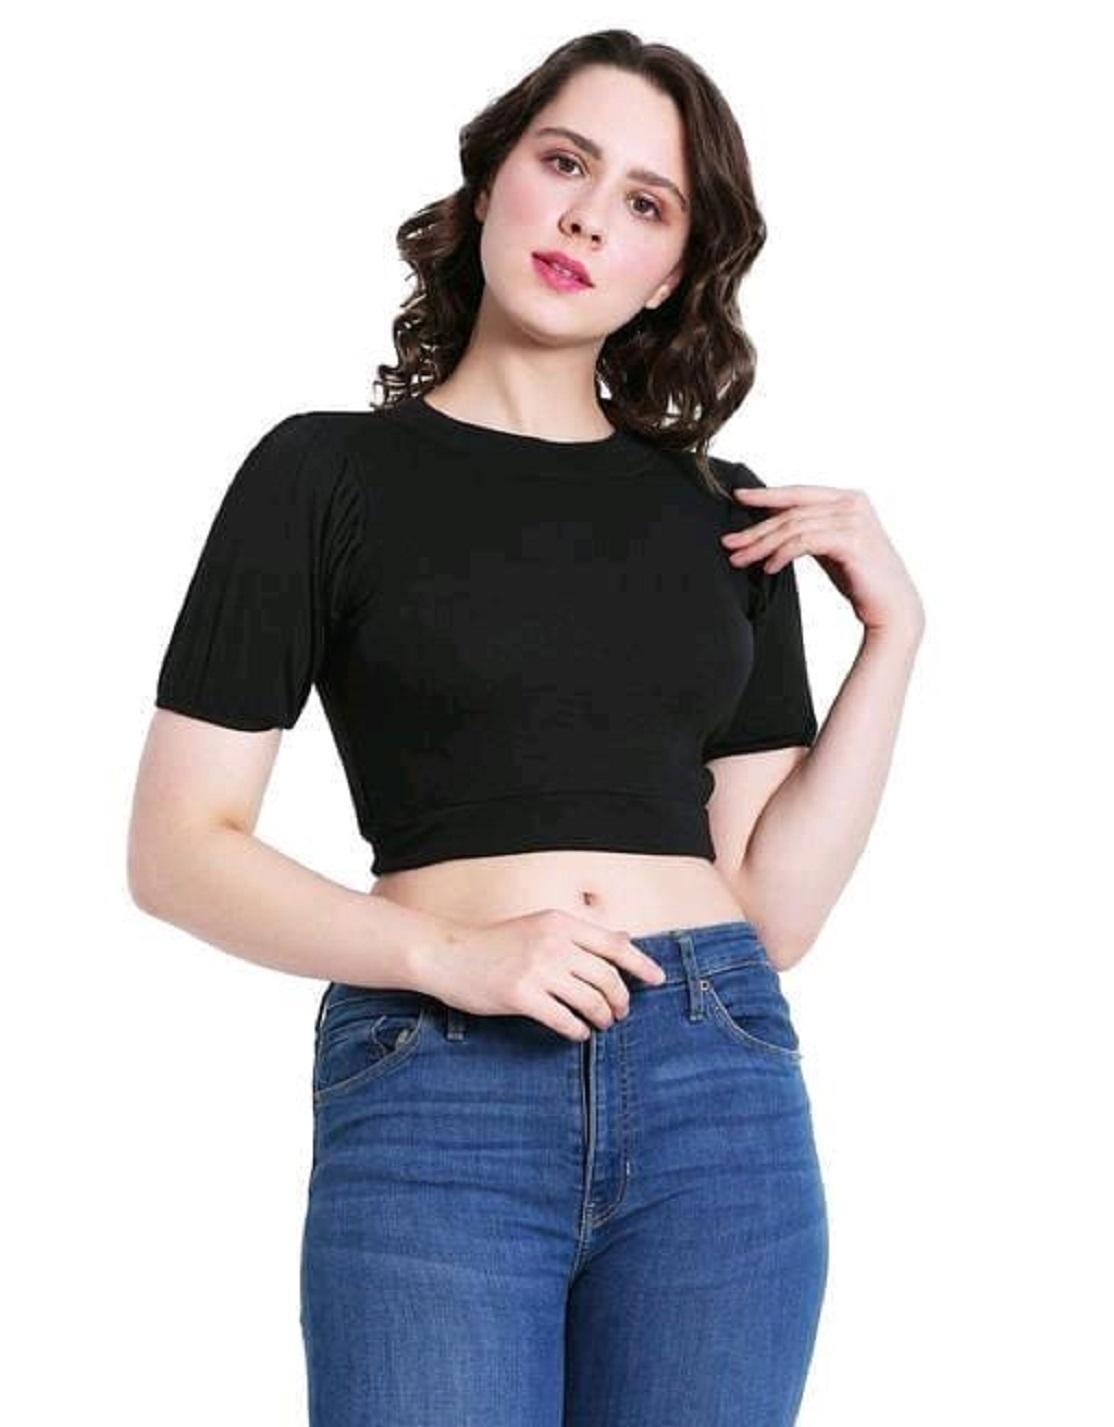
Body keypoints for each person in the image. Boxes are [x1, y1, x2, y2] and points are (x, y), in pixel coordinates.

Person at [127, 29, 924, 1427]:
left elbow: (775, 911)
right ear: (493, 177)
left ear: (670, 270)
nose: (585, 218)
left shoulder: (722, 514)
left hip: (715, 1086)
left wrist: (893, 639)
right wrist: (451, 958)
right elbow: (177, 849)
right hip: (438, 1084)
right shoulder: (322, 474)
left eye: (644, 202)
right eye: (564, 163)